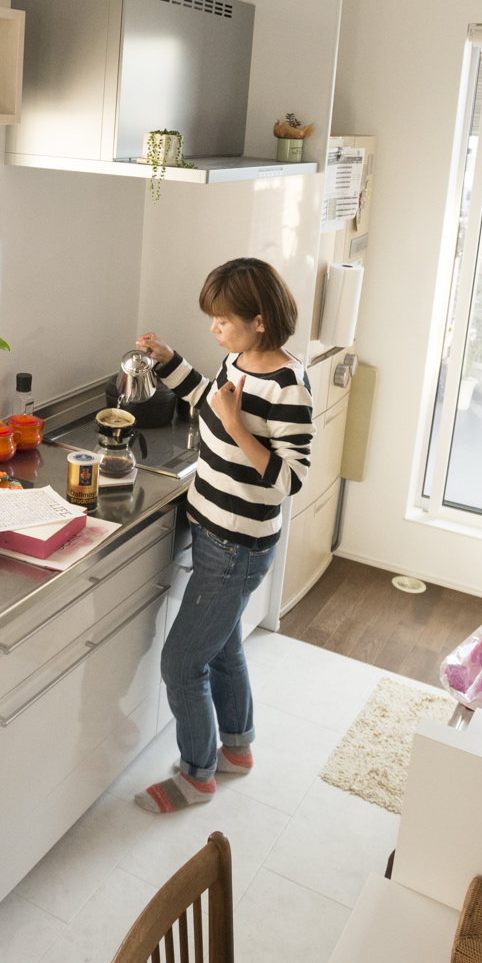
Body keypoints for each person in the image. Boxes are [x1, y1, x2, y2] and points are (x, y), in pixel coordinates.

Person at [132, 256, 313, 813]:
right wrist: (169, 363)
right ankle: (237, 749)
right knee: (225, 648)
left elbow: (290, 479)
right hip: (214, 533)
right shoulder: (238, 359)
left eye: (223, 319)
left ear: (259, 320)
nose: (215, 328)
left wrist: (237, 426)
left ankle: (197, 775)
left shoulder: (287, 384)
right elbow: (210, 403)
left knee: (181, 663)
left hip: (237, 548)